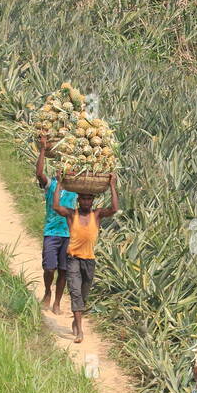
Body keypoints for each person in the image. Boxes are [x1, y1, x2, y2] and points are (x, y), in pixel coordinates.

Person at [50, 175, 118, 343]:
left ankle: (76, 319)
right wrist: (58, 184)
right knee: (75, 293)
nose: (86, 202)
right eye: (83, 199)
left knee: (84, 295)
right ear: (78, 200)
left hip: (89, 261)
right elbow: (56, 206)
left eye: (89, 199)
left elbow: (115, 209)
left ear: (92, 200)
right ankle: (80, 331)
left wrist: (112, 186)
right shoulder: (72, 215)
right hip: (73, 258)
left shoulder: (97, 215)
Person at [35, 144, 77, 314]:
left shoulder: (76, 190)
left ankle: (57, 301)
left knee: (64, 270)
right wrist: (43, 150)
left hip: (69, 235)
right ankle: (47, 291)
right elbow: (39, 174)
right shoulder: (51, 185)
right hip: (51, 233)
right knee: (49, 268)